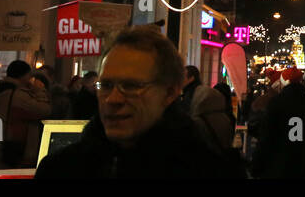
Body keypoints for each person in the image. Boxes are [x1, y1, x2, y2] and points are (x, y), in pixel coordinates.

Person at [37, 28, 242, 179]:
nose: (113, 99)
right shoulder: (61, 170)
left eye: (131, 86)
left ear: (169, 92)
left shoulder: (209, 172)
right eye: (106, 85)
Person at [0, 59, 51, 168]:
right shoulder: (19, 96)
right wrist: (40, 91)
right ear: (24, 76)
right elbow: (45, 111)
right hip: (15, 153)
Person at [250, 67, 305, 179]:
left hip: (278, 163)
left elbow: (267, 137)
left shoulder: (277, 102)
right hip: (302, 163)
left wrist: (256, 165)